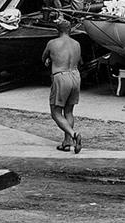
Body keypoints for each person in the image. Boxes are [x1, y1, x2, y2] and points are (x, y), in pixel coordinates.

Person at [41, 19, 83, 153]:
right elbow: (79, 60)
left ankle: (74, 135)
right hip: (75, 76)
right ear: (70, 30)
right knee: (69, 111)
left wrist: (49, 60)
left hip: (61, 77)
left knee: (56, 112)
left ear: (57, 30)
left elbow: (44, 58)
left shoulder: (52, 43)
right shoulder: (77, 44)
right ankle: (67, 143)